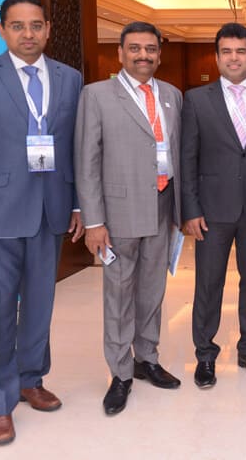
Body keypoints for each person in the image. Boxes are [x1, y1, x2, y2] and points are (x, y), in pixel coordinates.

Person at [0, 0, 84, 445]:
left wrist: (78, 204)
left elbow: (75, 148)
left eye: (36, 25)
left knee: (40, 305)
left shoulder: (69, 78)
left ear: (48, 29)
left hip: (50, 211)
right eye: (18, 26)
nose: (29, 34)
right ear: (2, 30)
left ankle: (30, 379)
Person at [74, 21, 183, 416]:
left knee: (153, 290)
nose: (143, 55)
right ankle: (120, 373)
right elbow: (86, 162)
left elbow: (177, 153)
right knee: (119, 294)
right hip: (118, 212)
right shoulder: (97, 95)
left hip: (162, 205)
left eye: (150, 49)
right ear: (120, 53)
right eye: (134, 48)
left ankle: (146, 358)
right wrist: (94, 221)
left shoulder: (171, 95)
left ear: (159, 54)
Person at [180, 23, 246, 388]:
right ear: (216, 57)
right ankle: (205, 355)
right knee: (208, 284)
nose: (234, 58)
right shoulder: (196, 100)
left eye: (241, 51)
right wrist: (190, 210)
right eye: (226, 51)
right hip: (211, 211)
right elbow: (187, 158)